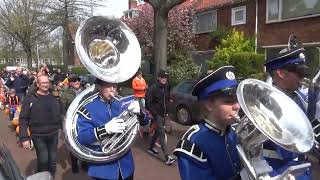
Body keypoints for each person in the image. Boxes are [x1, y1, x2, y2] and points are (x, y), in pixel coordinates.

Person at [173, 66, 242, 179]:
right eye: (229, 101)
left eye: (237, 100)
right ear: (209, 105)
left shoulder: (233, 132)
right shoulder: (194, 142)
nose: (237, 106)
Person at [76, 78, 148, 180]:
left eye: (115, 86)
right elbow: (82, 137)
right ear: (100, 87)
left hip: (126, 165)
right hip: (103, 170)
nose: (112, 89)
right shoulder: (88, 107)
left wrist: (140, 112)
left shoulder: (122, 103)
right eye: (108, 86)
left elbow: (145, 122)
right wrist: (105, 129)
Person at [264, 40, 312, 179]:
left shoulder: (298, 98)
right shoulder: (264, 100)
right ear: (281, 73)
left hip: (300, 169)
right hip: (276, 170)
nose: (302, 78)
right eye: (299, 73)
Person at [19, 74, 63, 177]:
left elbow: (61, 114)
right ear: (37, 84)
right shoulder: (30, 99)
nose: (45, 84)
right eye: (43, 83)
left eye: (47, 82)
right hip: (38, 135)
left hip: (53, 133)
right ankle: (42, 177)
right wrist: (24, 137)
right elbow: (23, 118)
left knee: (52, 160)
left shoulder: (55, 97)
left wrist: (64, 130)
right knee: (43, 160)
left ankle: (51, 176)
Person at [145, 70, 176, 165]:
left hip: (164, 114)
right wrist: (154, 113)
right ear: (158, 78)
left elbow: (166, 99)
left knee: (158, 132)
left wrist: (168, 109)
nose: (164, 79)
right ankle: (167, 157)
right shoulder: (152, 89)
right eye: (162, 77)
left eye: (166, 78)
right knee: (162, 133)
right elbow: (148, 103)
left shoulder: (166, 86)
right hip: (157, 115)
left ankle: (150, 148)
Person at [60, 75, 85, 173]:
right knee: (73, 143)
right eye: (74, 81)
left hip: (84, 121)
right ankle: (74, 164)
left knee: (85, 142)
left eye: (78, 80)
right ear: (70, 83)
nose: (77, 82)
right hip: (72, 122)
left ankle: (84, 163)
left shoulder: (85, 91)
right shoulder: (65, 94)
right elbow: (62, 110)